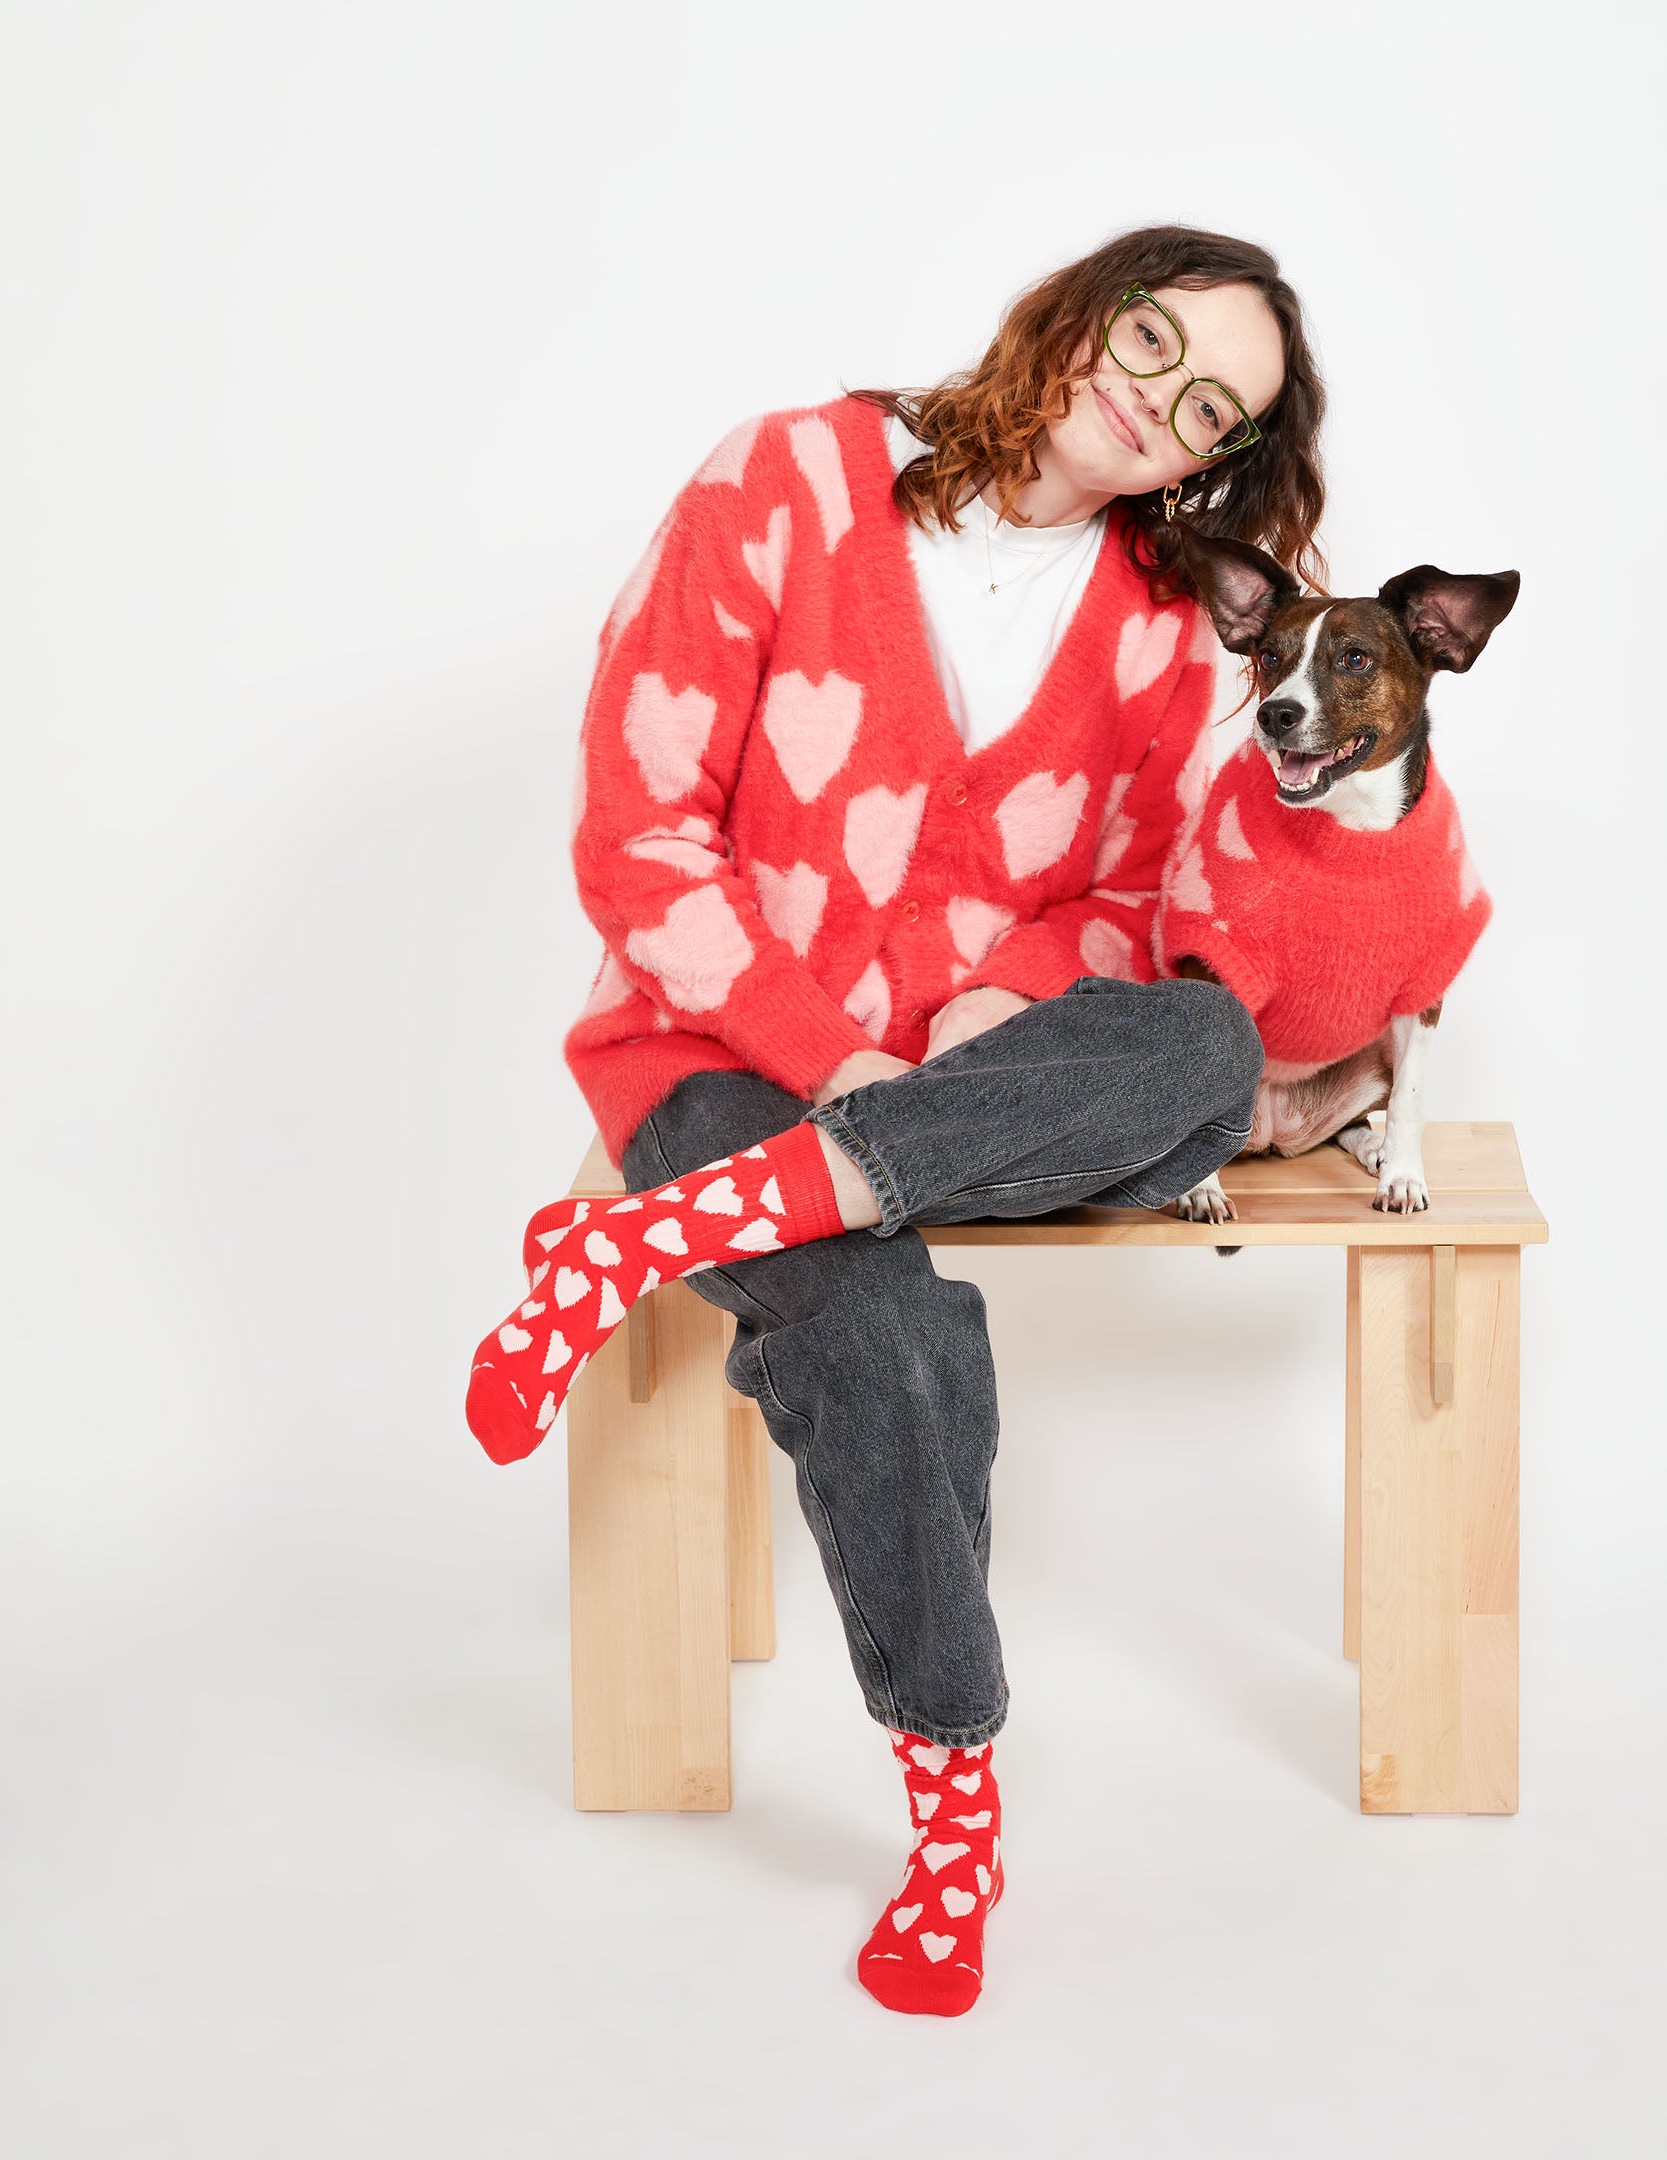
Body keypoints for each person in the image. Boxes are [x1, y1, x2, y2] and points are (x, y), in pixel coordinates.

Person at [468, 224, 1329, 2016]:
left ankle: (649, 1245)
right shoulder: (787, 477)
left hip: (968, 1094)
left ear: (1213, 461)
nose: (1148, 393)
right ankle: (956, 1811)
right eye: (1148, 333)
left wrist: (981, 1018)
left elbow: (1125, 901)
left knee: (1200, 1044)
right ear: (1085, 301)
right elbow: (633, 830)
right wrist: (820, 1046)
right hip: (711, 1058)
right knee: (878, 1333)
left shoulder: (1170, 630)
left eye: (1204, 404)